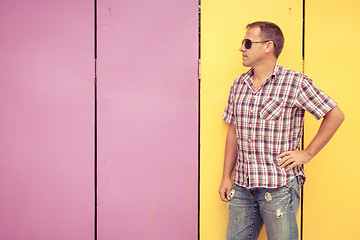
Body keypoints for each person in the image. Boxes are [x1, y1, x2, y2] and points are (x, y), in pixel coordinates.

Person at [218, 21, 345, 240]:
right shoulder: (238, 84)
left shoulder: (295, 83)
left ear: (268, 46)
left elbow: (335, 115)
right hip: (242, 186)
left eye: (247, 43)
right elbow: (233, 131)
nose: (241, 48)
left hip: (278, 186)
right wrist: (226, 177)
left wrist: (308, 153)